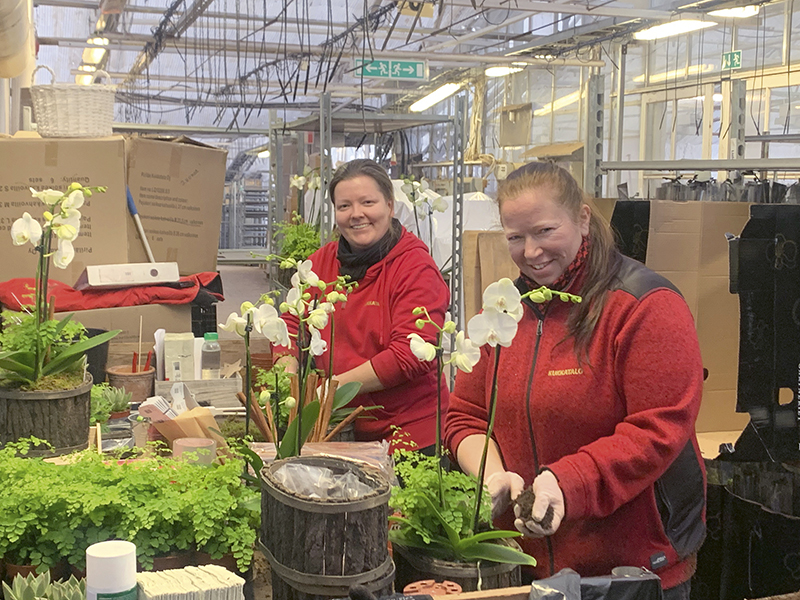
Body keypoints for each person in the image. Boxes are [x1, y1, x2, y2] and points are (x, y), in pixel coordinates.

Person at [444, 162, 706, 599]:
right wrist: (493, 475)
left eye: (545, 231)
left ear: (583, 219)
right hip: (525, 565)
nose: (531, 251)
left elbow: (658, 429)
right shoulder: (504, 312)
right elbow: (466, 416)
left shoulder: (643, 306)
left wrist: (566, 483)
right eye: (515, 237)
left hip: (629, 571)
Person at [276, 159, 450, 451]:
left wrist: (330, 390)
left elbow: (409, 355)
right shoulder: (321, 263)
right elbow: (291, 322)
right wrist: (288, 376)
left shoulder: (415, 268)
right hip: (338, 428)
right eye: (344, 206)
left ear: (390, 206)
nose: (356, 214)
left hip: (410, 435)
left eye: (367, 202)